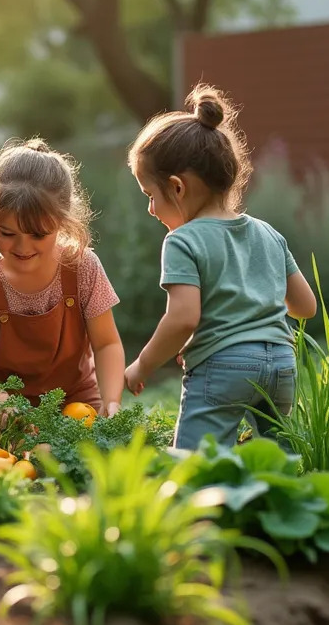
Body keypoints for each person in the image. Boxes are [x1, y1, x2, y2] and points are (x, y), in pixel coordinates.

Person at [123, 84, 318, 449]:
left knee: (195, 462)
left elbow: (183, 319)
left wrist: (142, 366)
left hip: (224, 369)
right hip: (280, 363)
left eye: (151, 196)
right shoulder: (268, 233)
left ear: (177, 188)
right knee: (282, 458)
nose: (150, 210)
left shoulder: (182, 240)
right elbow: (305, 307)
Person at [0, 138, 126, 414]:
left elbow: (106, 343)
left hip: (79, 403)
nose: (22, 248)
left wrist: (112, 402)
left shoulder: (83, 267)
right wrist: (6, 407)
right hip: (13, 414)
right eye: (8, 234)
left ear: (62, 221)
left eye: (38, 235)